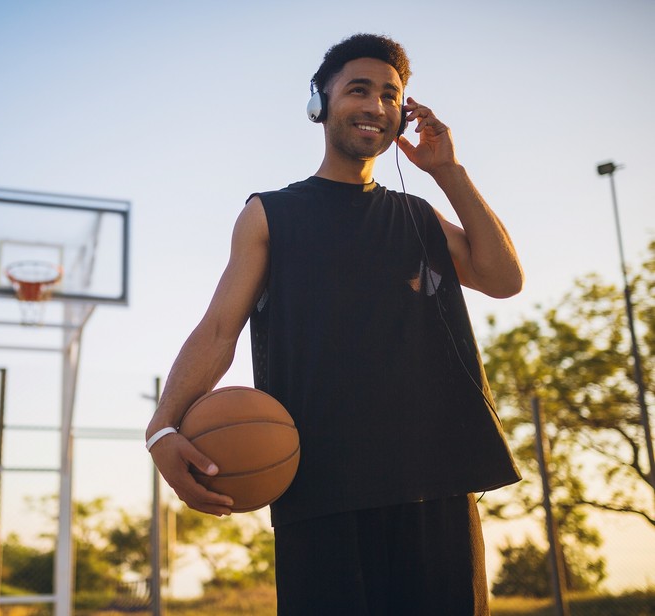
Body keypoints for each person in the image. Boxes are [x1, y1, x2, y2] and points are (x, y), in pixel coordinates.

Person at [145, 33, 523, 615]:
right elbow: (220, 329)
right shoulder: (270, 214)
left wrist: (448, 171)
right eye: (358, 90)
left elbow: (503, 278)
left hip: (435, 483)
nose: (375, 104)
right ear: (320, 104)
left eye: (391, 95)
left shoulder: (417, 214)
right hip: (320, 489)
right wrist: (162, 429)